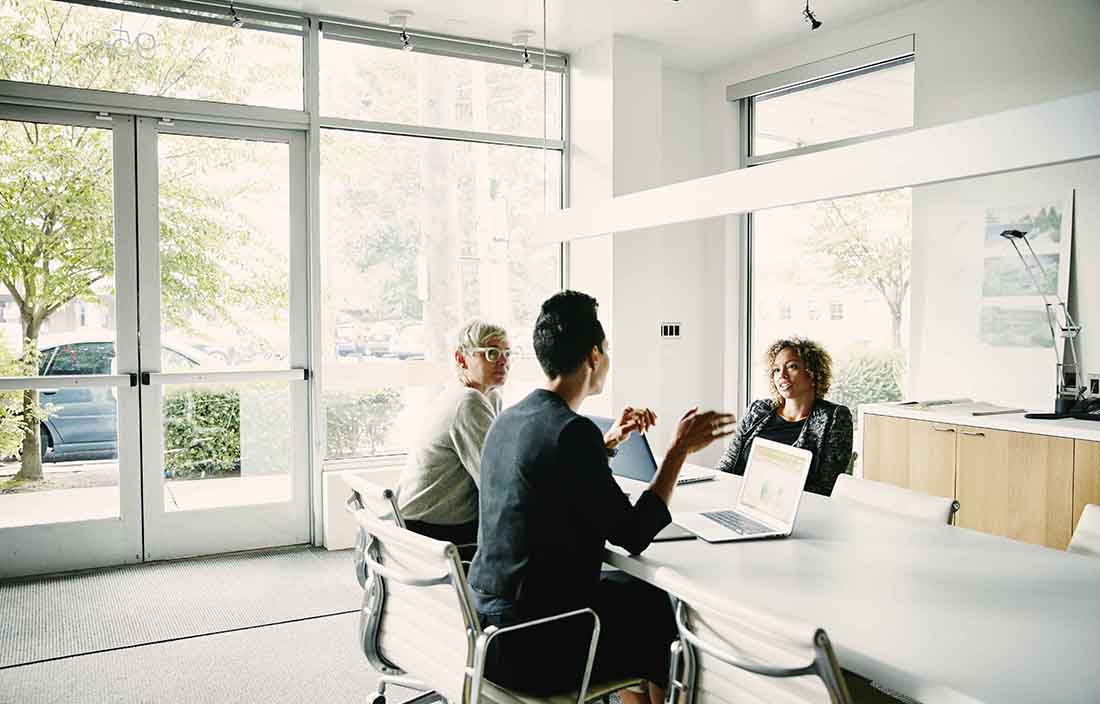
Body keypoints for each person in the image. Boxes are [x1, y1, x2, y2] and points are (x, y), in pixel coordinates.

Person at [468, 291, 735, 704]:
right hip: (533, 644)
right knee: (663, 613)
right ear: (594, 356)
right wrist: (677, 452)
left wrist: (611, 442)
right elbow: (634, 533)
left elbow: (555, 474)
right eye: (606, 350)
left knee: (634, 599)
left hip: (487, 626)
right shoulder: (572, 431)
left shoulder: (511, 417)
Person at [395, 319, 511, 546]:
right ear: (461, 359)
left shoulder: (486, 396)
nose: (504, 361)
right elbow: (494, 480)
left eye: (507, 353)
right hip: (428, 532)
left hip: (415, 522)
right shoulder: (468, 401)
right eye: (491, 353)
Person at [716, 337, 853, 496]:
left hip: (799, 512)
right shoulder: (758, 410)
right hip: (740, 499)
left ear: (813, 373)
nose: (782, 375)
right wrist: (715, 492)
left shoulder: (835, 417)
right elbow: (727, 464)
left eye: (792, 367)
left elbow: (827, 487)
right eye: (776, 370)